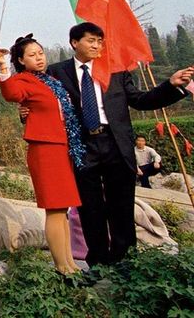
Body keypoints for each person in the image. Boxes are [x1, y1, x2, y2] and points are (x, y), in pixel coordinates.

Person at [46, 22, 193, 266]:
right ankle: (99, 264)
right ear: (75, 43)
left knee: (121, 207)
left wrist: (171, 86)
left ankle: (126, 263)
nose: (97, 46)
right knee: (90, 209)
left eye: (100, 41)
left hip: (116, 144)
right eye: (91, 40)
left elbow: (141, 99)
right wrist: (25, 110)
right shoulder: (57, 72)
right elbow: (43, 103)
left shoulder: (114, 70)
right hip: (83, 146)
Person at [0, 35, 83, 274]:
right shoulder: (24, 80)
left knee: (63, 209)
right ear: (21, 61)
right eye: (32, 55)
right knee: (54, 208)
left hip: (62, 147)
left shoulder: (50, 81)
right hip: (45, 149)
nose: (39, 58)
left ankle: (71, 263)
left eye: (41, 53)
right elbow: (11, 93)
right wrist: (3, 66)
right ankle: (62, 267)